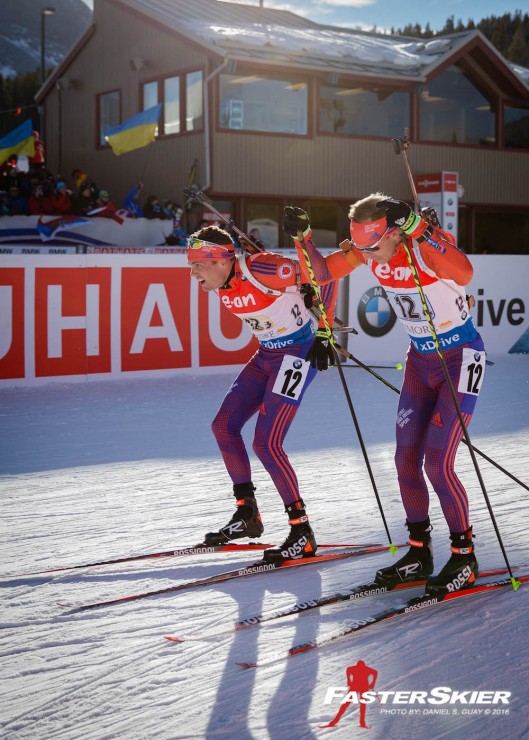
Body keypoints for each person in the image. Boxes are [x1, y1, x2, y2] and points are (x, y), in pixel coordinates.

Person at [283, 197, 486, 594]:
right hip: (420, 361)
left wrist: (421, 230)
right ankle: (418, 553)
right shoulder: (369, 253)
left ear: (394, 231)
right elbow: (320, 274)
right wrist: (303, 239)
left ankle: (465, 556)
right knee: (405, 458)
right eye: (362, 246)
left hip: (460, 359)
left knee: (438, 463)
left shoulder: (424, 248)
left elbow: (464, 273)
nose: (366, 254)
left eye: (373, 245)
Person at [187, 224, 338, 563]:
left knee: (266, 443)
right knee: (223, 426)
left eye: (197, 263)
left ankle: (302, 532)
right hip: (268, 354)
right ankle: (247, 515)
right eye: (190, 263)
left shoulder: (261, 268)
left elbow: (326, 272)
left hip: (297, 356)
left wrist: (325, 332)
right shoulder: (228, 276)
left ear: (220, 260)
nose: (192, 271)